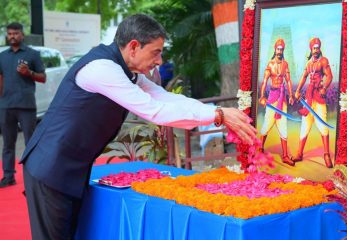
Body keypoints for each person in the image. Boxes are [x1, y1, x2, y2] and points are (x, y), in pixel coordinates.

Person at [20, 14, 257, 239]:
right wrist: (217, 115)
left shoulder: (126, 71)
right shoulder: (102, 69)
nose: (159, 61)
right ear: (134, 46)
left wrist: (221, 114)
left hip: (70, 169)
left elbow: (165, 98)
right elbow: (154, 110)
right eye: (155, 53)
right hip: (50, 168)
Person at [0, 22, 46, 188]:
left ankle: (33, 177)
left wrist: (29, 73)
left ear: (22, 34)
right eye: (10, 33)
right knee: (8, 143)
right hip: (6, 106)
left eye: (16, 33)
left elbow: (43, 77)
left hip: (26, 105)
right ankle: (8, 176)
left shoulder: (32, 54)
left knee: (31, 143)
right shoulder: (2, 56)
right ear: (7, 35)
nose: (13, 36)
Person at [293, 37, 333, 168]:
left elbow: (329, 76)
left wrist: (324, 88)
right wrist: (297, 91)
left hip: (319, 98)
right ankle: (299, 153)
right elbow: (304, 77)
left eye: (317, 47)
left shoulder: (323, 61)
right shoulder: (309, 64)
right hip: (309, 98)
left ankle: (326, 154)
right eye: (314, 48)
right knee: (305, 126)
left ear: (319, 48)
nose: (316, 50)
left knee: (323, 126)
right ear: (311, 49)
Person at [258, 38, 295, 166]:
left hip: (282, 98)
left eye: (281, 49)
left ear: (283, 50)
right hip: (272, 97)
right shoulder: (270, 64)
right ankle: (259, 149)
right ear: (275, 49)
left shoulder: (285, 64)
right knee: (267, 124)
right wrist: (262, 96)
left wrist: (290, 95)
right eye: (278, 49)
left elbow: (289, 81)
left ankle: (285, 155)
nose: (279, 51)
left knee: (283, 125)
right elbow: (264, 81)